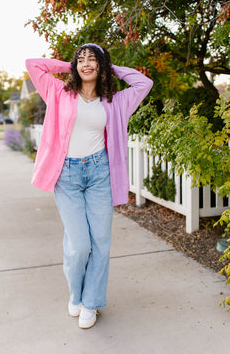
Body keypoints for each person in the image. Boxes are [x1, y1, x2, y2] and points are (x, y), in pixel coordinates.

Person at [26, 43, 153, 329]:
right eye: (80, 59)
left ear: (102, 66)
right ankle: (76, 294)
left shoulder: (116, 101)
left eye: (92, 59)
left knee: (100, 244)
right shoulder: (59, 93)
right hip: (67, 176)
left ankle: (91, 303)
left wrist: (109, 65)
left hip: (99, 174)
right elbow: (33, 64)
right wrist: (68, 65)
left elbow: (144, 82)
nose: (86, 63)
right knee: (79, 245)